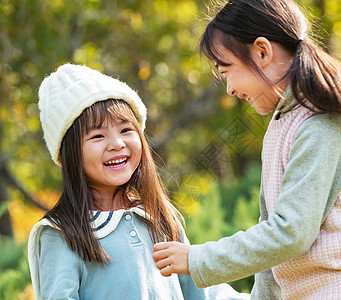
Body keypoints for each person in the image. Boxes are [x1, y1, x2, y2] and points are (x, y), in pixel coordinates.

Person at [152, 0, 341, 299]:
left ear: (262, 52)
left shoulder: (322, 123)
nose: (230, 89)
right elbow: (274, 243)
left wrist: (197, 259)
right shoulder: (283, 122)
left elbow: (290, 233)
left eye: (227, 71)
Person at [28, 63, 249, 300]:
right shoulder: (60, 233)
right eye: (97, 136)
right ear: (66, 156)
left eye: (125, 130)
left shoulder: (158, 216)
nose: (116, 144)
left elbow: (201, 293)